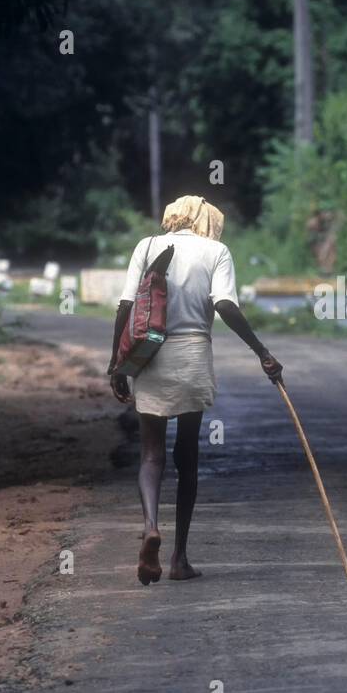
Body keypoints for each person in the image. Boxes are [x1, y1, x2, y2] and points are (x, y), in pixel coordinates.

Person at [107, 196, 282, 584]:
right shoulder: (216, 251)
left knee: (151, 454)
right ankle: (179, 558)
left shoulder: (147, 245)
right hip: (192, 355)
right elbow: (225, 305)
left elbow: (124, 305)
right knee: (187, 455)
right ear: (209, 221)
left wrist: (116, 365)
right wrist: (261, 351)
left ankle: (151, 525)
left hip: (148, 351)